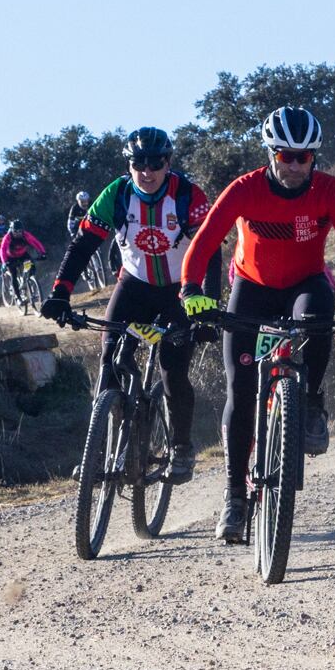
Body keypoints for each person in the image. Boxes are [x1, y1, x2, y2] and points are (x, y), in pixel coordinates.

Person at [178, 107, 335, 543]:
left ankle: (310, 402)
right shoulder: (244, 190)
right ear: (271, 153)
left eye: (304, 158)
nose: (294, 166)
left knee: (319, 316)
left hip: (304, 285)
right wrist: (191, 290)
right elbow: (204, 244)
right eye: (285, 156)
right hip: (251, 288)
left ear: (314, 158)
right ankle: (235, 497)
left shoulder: (330, 191)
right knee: (240, 391)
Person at [40, 127, 221, 486]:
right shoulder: (117, 194)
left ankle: (182, 448)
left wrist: (208, 308)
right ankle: (99, 450)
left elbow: (213, 249)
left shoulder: (187, 195)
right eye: (139, 162)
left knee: (173, 371)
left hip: (179, 293)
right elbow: (83, 246)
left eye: (156, 163)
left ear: (168, 163)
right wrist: (61, 292)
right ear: (130, 163)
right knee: (109, 360)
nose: (147, 170)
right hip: (134, 286)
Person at [0, 221, 46, 312]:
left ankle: (29, 280)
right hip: (10, 258)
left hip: (23, 255)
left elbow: (35, 242)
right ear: (12, 230)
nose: (18, 233)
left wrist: (43, 252)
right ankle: (18, 297)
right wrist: (5, 262)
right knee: (13, 275)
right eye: (16, 231)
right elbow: (2, 249)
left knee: (31, 266)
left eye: (20, 231)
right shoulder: (7, 237)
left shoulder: (25, 235)